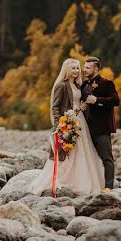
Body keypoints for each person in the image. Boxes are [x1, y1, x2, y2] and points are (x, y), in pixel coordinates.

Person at [29, 58, 105, 196]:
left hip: (80, 122)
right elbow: (55, 107)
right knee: (69, 153)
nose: (76, 70)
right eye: (73, 68)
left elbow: (78, 104)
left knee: (83, 153)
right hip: (68, 123)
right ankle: (64, 181)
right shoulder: (61, 86)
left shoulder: (78, 85)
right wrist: (59, 125)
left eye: (77, 68)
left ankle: (82, 181)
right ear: (67, 70)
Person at [81, 55, 120, 190]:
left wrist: (97, 100)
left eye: (87, 67)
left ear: (96, 69)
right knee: (88, 159)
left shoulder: (107, 83)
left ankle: (108, 187)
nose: (84, 70)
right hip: (86, 129)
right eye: (84, 67)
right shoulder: (84, 85)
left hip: (102, 128)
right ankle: (92, 186)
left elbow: (116, 101)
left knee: (107, 159)